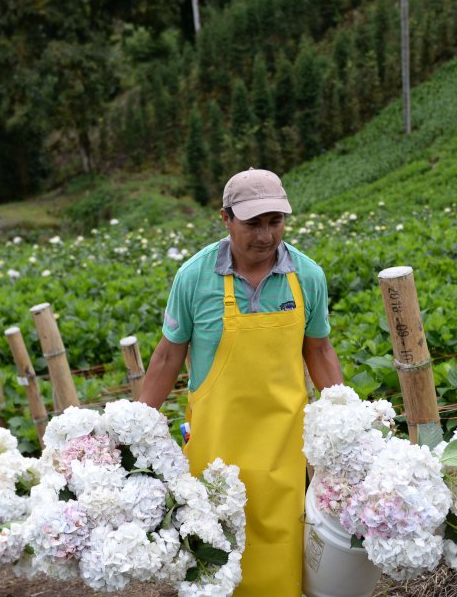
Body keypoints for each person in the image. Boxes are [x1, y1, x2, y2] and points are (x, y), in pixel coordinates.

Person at [139, 168, 345, 596]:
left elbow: (319, 351)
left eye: (275, 221)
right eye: (253, 223)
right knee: (217, 547)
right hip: (217, 444)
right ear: (226, 218)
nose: (266, 235)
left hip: (283, 445)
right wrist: (136, 424)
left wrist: (348, 422)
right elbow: (167, 355)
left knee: (281, 545)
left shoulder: (307, 276)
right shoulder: (195, 277)